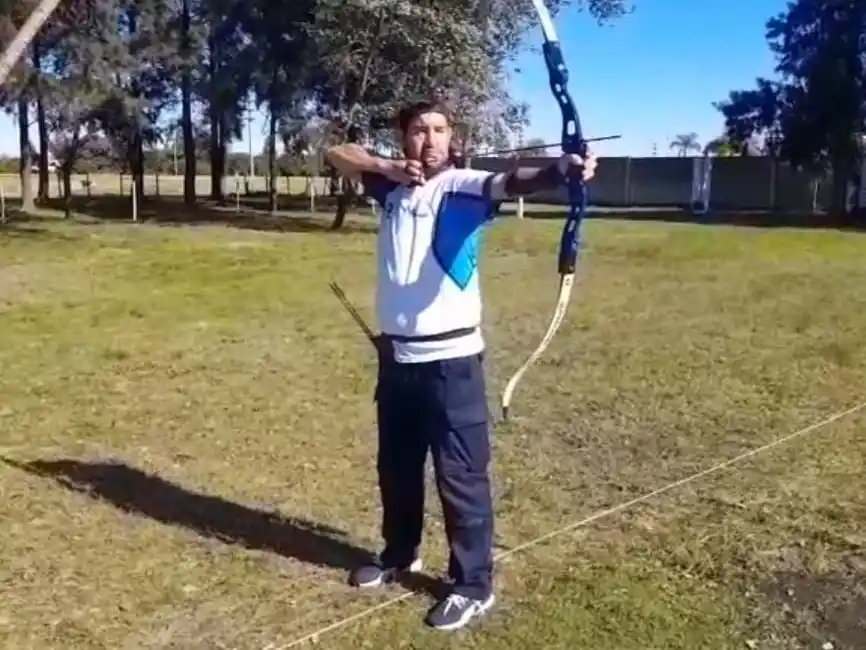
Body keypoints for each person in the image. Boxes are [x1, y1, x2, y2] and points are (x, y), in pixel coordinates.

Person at [325, 100, 597, 631]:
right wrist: (385, 168)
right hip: (397, 360)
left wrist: (563, 168)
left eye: (440, 129)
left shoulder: (464, 188)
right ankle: (400, 554)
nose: (430, 139)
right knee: (397, 469)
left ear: (453, 137)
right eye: (419, 130)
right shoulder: (390, 187)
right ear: (404, 138)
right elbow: (338, 153)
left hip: (452, 365)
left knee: (460, 476)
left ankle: (473, 585)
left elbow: (513, 182)